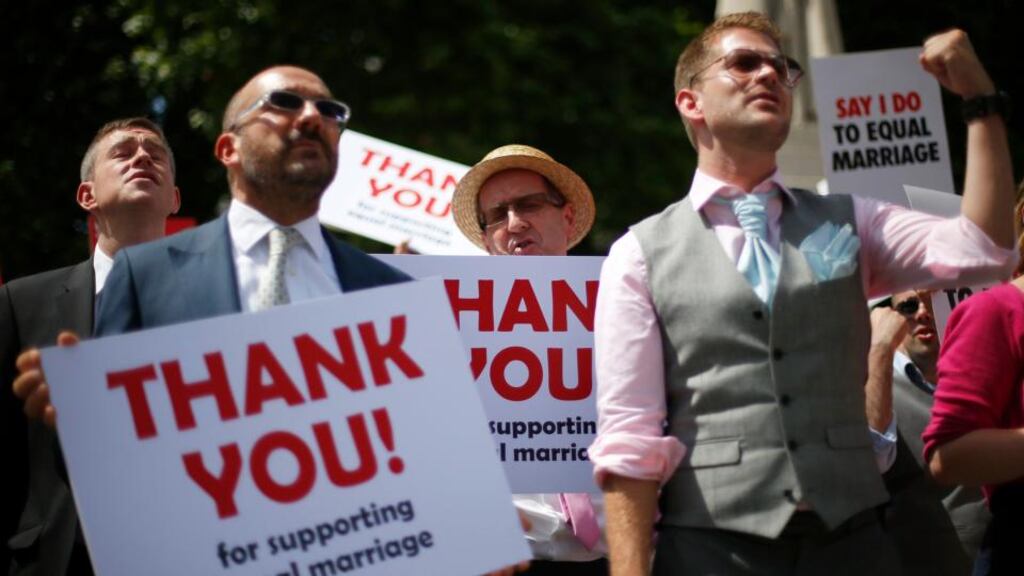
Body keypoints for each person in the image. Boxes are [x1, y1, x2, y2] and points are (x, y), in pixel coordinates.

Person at [589, 11, 1016, 576]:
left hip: (852, 543)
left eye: (781, 67)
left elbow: (986, 250)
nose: (769, 75)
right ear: (691, 103)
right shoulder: (639, 252)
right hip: (712, 549)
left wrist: (980, 102)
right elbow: (629, 438)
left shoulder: (851, 220)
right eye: (744, 63)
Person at [1, 117, 181, 575]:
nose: (142, 156)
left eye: (155, 154)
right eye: (123, 152)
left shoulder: (224, 304)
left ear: (174, 198)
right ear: (87, 196)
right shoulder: (20, 303)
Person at [452, 144, 604, 574]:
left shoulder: (624, 300)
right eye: (497, 215)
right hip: (509, 558)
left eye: (529, 205)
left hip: (624, 554)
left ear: (568, 216)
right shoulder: (448, 324)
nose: (514, 224)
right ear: (485, 238)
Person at [867, 292, 989, 575]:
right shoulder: (876, 385)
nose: (923, 313)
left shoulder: (983, 373)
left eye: (934, 301)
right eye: (909, 306)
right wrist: (880, 350)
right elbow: (870, 460)